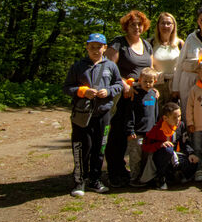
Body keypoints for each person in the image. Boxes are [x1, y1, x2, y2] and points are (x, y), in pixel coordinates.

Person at [63, 33, 123, 197]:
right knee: (82, 147)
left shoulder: (111, 66)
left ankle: (95, 179)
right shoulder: (78, 66)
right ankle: (79, 181)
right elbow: (67, 88)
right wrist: (82, 92)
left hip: (103, 113)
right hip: (82, 114)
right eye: (92, 47)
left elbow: (118, 84)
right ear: (87, 47)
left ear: (105, 48)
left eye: (99, 47)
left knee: (100, 147)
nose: (95, 50)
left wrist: (109, 91)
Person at [105, 10, 154, 187]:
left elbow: (151, 69)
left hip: (142, 97)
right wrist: (125, 84)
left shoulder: (147, 45)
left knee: (138, 133)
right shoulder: (119, 43)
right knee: (118, 132)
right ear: (126, 26)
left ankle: (132, 170)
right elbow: (109, 67)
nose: (137, 27)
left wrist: (152, 88)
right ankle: (114, 171)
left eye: (140, 24)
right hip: (124, 94)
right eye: (133, 24)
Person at [142, 102, 198, 190]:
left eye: (179, 116)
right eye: (175, 117)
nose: (178, 119)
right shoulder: (156, 129)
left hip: (175, 156)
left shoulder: (181, 125)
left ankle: (177, 174)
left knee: (193, 161)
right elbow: (145, 146)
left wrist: (191, 153)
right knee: (168, 149)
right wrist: (160, 145)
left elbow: (185, 142)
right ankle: (161, 178)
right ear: (165, 118)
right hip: (160, 157)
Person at [123, 67, 159, 187]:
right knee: (135, 156)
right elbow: (130, 114)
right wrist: (130, 130)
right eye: (145, 81)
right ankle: (134, 178)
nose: (148, 84)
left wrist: (156, 128)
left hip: (150, 132)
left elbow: (155, 113)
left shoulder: (153, 94)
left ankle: (145, 177)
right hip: (137, 132)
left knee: (147, 156)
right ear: (140, 80)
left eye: (150, 81)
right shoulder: (136, 95)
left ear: (155, 81)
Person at [151, 12, 184, 106]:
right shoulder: (150, 43)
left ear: (174, 26)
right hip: (156, 85)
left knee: (172, 115)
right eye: (163, 23)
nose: (165, 26)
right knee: (155, 112)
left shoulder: (180, 43)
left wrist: (177, 88)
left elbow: (183, 65)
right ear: (158, 25)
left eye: (169, 23)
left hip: (174, 86)